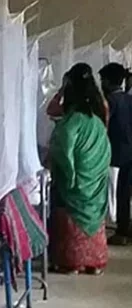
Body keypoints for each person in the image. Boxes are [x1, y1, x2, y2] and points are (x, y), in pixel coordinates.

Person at [47, 63, 112, 274]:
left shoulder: (72, 119)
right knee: (93, 212)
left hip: (78, 174)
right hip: (96, 170)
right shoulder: (99, 112)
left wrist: (71, 174)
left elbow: (62, 148)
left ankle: (71, 261)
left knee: (67, 210)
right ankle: (94, 262)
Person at [100, 63, 132, 244]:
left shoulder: (109, 102)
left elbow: (102, 126)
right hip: (129, 151)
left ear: (107, 81)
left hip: (116, 154)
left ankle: (122, 231)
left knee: (120, 193)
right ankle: (125, 228)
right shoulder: (129, 99)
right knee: (125, 192)